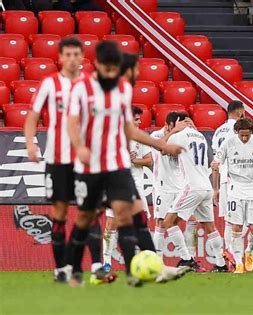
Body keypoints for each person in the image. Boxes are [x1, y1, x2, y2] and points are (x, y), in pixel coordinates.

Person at [66, 41, 182, 287]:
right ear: (97, 65)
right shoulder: (81, 88)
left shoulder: (121, 90)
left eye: (114, 69)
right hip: (91, 165)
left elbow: (129, 129)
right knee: (87, 217)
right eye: (106, 69)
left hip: (116, 163)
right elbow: (72, 123)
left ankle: (139, 271)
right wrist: (80, 147)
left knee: (130, 214)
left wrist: (161, 145)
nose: (111, 74)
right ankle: (75, 269)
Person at [24, 37, 107, 285]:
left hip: (85, 161)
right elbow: (32, 115)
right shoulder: (50, 84)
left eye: (76, 54)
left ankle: (96, 266)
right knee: (59, 213)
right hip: (58, 159)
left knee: (90, 212)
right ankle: (61, 269)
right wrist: (30, 142)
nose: (72, 59)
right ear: (60, 58)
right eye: (67, 55)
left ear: (82, 57)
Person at [211, 117, 253, 274]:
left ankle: (249, 251)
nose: (244, 138)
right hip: (234, 189)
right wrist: (215, 164)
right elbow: (217, 161)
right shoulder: (229, 142)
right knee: (236, 227)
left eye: (247, 135)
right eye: (241, 135)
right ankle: (238, 262)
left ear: (252, 132)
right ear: (236, 132)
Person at [162, 118, 228, 272]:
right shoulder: (200, 136)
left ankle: (186, 259)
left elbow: (163, 149)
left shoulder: (179, 135)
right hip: (206, 186)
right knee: (209, 227)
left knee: (168, 222)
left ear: (178, 122)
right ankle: (221, 264)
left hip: (191, 187)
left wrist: (174, 130)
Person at [102, 106, 152, 271]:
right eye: (136, 119)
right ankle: (107, 262)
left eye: (139, 119)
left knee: (141, 225)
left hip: (137, 185)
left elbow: (149, 161)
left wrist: (136, 160)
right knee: (111, 224)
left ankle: (139, 262)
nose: (139, 122)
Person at [150, 112, 199, 262]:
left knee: (192, 219)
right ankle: (157, 261)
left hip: (180, 185)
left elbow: (196, 150)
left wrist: (194, 130)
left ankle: (190, 258)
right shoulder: (156, 135)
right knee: (160, 223)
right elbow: (160, 149)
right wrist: (174, 131)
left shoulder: (182, 137)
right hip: (162, 186)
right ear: (168, 125)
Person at [211, 100, 246, 267]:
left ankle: (230, 254)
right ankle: (233, 251)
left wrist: (215, 188)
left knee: (228, 221)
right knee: (244, 219)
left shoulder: (218, 131)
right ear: (240, 114)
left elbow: (215, 163)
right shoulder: (239, 130)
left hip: (223, 179)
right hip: (237, 179)